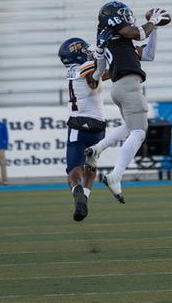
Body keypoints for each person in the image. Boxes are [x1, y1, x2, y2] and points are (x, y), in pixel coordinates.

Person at [84, 1, 167, 204]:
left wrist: (154, 28)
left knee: (130, 127)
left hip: (118, 89)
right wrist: (154, 21)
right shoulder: (121, 35)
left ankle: (97, 149)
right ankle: (116, 175)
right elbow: (138, 33)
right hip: (129, 86)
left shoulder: (110, 41)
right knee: (139, 132)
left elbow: (148, 54)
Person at [58, 38, 107, 221]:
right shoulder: (86, 66)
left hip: (78, 123)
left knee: (73, 168)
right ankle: (85, 196)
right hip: (98, 124)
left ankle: (77, 190)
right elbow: (96, 76)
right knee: (91, 165)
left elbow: (99, 74)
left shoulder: (73, 70)